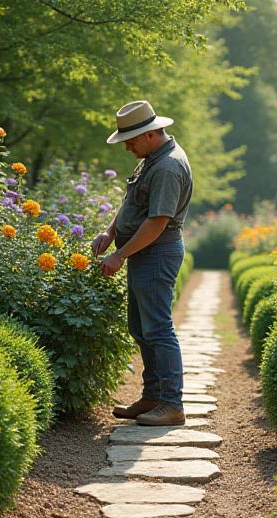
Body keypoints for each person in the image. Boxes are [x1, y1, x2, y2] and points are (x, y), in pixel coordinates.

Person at [92, 100, 192, 426]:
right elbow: (130, 205)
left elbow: (156, 222)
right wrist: (110, 233)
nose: (128, 147)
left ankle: (172, 403)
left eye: (131, 141)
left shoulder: (167, 167)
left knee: (158, 329)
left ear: (150, 134)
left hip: (155, 253)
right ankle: (152, 397)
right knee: (140, 327)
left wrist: (121, 254)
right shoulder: (151, 160)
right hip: (143, 253)